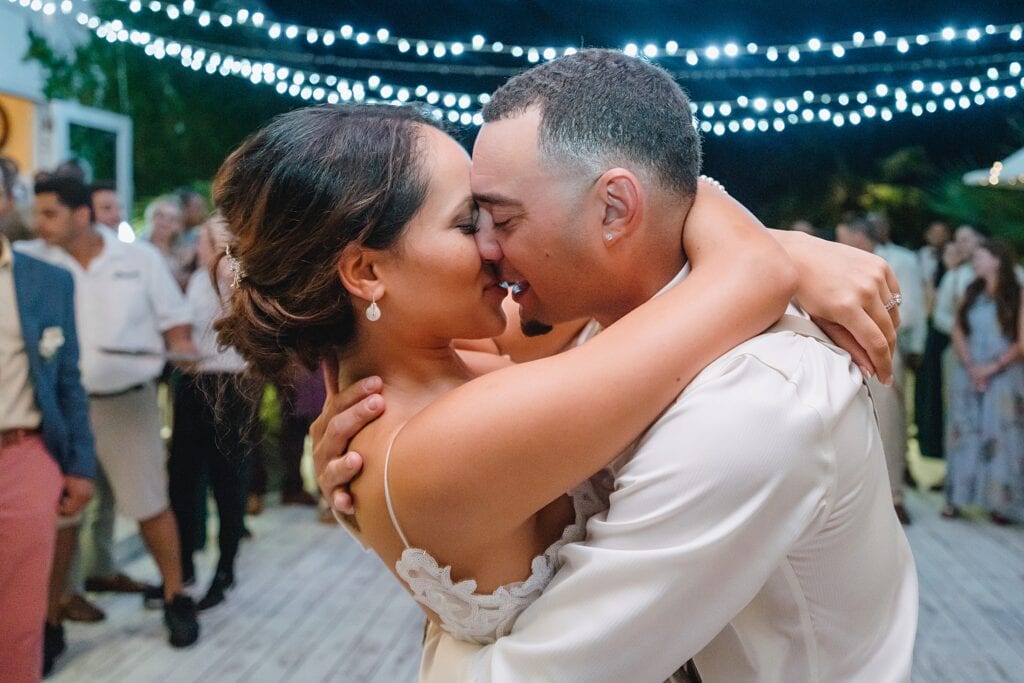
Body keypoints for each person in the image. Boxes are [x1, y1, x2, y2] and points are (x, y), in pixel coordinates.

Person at [313, 51, 915, 682]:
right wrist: (399, 500)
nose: (488, 249)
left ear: (614, 209)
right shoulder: (601, 331)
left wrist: (424, 552)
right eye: (470, 222)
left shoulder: (752, 403)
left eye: (500, 218)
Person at [18, 175, 201, 648]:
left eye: (49, 213)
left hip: (127, 403)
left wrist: (182, 349)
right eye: (36, 212)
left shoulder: (138, 259)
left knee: (149, 505)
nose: (37, 223)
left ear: (82, 215)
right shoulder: (33, 263)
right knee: (60, 516)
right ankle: (50, 618)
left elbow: (177, 326)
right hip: (57, 412)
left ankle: (176, 596)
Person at [1, 213, 95, 682]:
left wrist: (80, 465)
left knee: (20, 614)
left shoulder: (47, 280)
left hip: (23, 451)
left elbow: (68, 381)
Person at [168, 216, 254, 610]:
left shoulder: (239, 277)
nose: (211, 247)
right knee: (183, 482)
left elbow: (244, 307)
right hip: (192, 385)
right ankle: (182, 568)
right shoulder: (196, 281)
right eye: (209, 239)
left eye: (221, 239)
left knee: (228, 483)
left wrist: (227, 260)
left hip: (230, 387)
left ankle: (225, 569)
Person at [836, 215, 921, 523]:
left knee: (889, 422)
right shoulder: (844, 260)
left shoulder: (897, 261)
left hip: (887, 344)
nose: (840, 240)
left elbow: (910, 311)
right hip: (848, 347)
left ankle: (894, 496)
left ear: (860, 235)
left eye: (843, 235)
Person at [943, 240, 1024, 524]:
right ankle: (957, 497)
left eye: (980, 257)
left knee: (1002, 435)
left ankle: (1001, 504)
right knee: (963, 431)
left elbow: (1021, 342)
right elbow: (958, 329)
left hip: (1004, 374)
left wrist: (990, 368)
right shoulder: (972, 291)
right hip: (968, 371)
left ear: (997, 260)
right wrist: (971, 366)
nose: (975, 262)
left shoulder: (1018, 294)